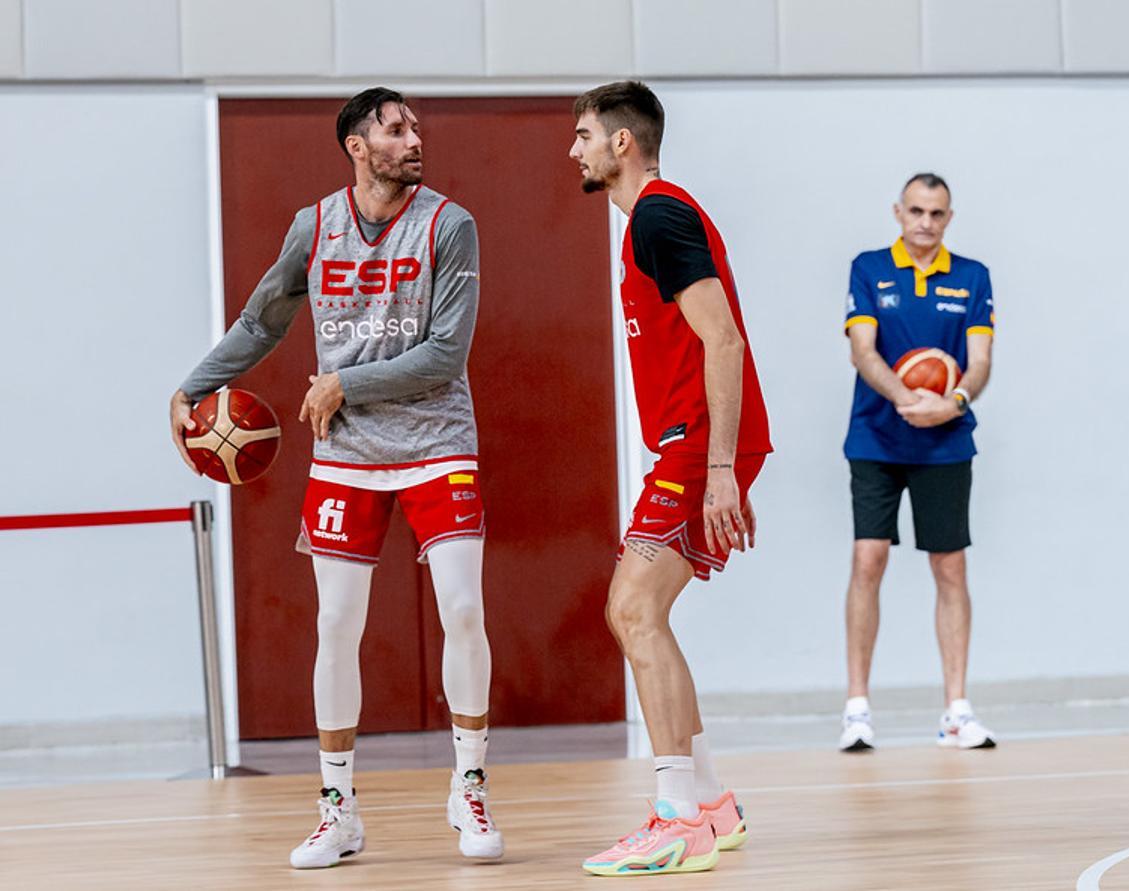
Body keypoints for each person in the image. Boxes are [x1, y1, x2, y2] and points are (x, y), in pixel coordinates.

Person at [169, 87, 503, 867]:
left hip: (437, 442)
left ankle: (472, 783)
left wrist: (346, 383)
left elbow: (447, 356)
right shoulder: (313, 227)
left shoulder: (451, 224)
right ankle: (338, 807)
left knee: (462, 608)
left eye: (414, 125)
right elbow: (262, 321)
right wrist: (192, 387)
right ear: (358, 146)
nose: (414, 137)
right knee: (335, 626)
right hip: (347, 453)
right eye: (395, 128)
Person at [568, 81, 772, 877]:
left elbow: (722, 340)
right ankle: (711, 802)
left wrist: (720, 467)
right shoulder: (646, 224)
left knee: (631, 606)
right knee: (639, 615)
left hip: (700, 450)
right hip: (690, 447)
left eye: (584, 133)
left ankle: (676, 815)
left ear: (623, 143)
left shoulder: (658, 213)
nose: (574, 148)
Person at [839, 173, 997, 752]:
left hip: (945, 441)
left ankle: (956, 710)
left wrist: (950, 403)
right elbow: (862, 349)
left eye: (936, 213)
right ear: (898, 212)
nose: (925, 223)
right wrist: (906, 399)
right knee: (868, 559)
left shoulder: (972, 277)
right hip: (877, 439)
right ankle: (857, 708)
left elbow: (978, 362)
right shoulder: (869, 268)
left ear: (949, 218)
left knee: (950, 568)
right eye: (916, 211)